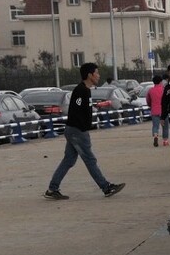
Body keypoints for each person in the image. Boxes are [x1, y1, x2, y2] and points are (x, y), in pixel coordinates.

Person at [44, 62, 125, 200]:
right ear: (89, 75)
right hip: (77, 131)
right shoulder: (81, 90)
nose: (98, 75)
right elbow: (76, 109)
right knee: (90, 159)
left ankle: (52, 189)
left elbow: (81, 109)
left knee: (68, 160)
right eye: (96, 73)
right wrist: (82, 128)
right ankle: (106, 187)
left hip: (75, 130)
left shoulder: (85, 91)